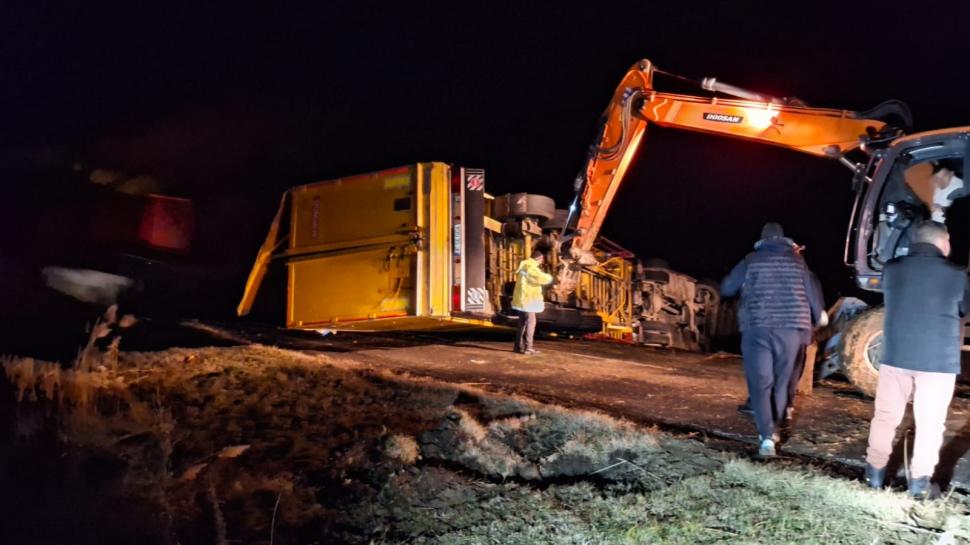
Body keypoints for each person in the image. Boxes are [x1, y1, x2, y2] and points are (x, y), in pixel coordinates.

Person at [864, 222, 969, 498]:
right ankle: (920, 485)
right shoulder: (957, 275)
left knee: (885, 417)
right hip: (937, 361)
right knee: (930, 423)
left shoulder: (893, 269)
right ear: (942, 241)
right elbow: (963, 309)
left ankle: (873, 476)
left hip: (896, 355)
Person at [721, 222, 824, 457]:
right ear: (784, 239)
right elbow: (811, 290)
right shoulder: (798, 261)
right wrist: (819, 314)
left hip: (758, 327)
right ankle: (777, 426)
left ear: (762, 240)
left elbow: (728, 287)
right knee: (781, 382)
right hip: (791, 329)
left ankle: (767, 437)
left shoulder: (752, 259)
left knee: (761, 383)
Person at [512, 248, 553, 354]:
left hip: (521, 300)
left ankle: (518, 347)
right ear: (539, 259)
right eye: (542, 260)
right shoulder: (531, 267)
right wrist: (551, 278)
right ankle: (528, 347)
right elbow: (538, 278)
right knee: (531, 322)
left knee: (522, 323)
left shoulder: (524, 265)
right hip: (528, 300)